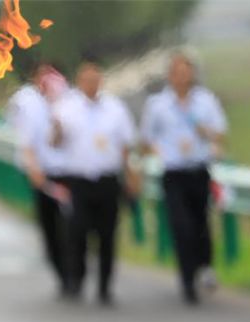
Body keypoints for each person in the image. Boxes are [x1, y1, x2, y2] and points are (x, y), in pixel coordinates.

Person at [140, 51, 228, 305]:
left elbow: (220, 134)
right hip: (174, 174)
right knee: (182, 226)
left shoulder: (205, 101)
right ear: (170, 76)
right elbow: (146, 139)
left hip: (198, 170)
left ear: (192, 75)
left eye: (186, 72)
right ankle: (187, 280)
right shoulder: (158, 104)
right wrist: (158, 151)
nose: (182, 77)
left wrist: (206, 132)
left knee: (200, 223)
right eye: (177, 73)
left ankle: (205, 265)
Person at [52, 56, 139, 305]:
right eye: (86, 79)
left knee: (107, 235)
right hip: (78, 181)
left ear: (101, 80)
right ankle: (77, 279)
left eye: (95, 79)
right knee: (77, 231)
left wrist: (131, 176)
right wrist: (56, 128)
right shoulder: (66, 108)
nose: (91, 83)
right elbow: (55, 143)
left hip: (107, 180)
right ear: (79, 81)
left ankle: (105, 286)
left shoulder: (115, 109)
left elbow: (125, 146)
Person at [8, 61, 72, 295]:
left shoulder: (68, 100)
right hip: (43, 174)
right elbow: (24, 138)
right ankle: (63, 275)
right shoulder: (26, 101)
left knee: (72, 225)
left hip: (68, 173)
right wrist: (33, 168)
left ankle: (75, 270)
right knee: (50, 227)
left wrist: (56, 111)